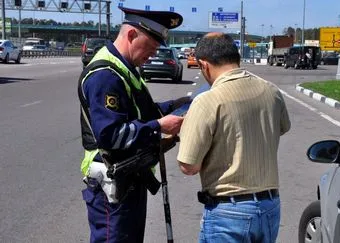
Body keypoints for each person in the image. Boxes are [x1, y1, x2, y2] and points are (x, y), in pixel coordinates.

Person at [78, 6, 189, 243]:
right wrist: (160, 126)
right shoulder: (106, 75)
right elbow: (111, 135)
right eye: (150, 48)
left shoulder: (126, 70)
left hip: (130, 180)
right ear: (131, 35)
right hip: (113, 187)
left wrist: (182, 103)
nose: (152, 55)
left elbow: (143, 114)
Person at [176, 32, 291, 243]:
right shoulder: (271, 91)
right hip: (269, 206)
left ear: (204, 65)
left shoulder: (207, 101)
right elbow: (282, 128)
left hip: (229, 212)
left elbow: (189, 166)